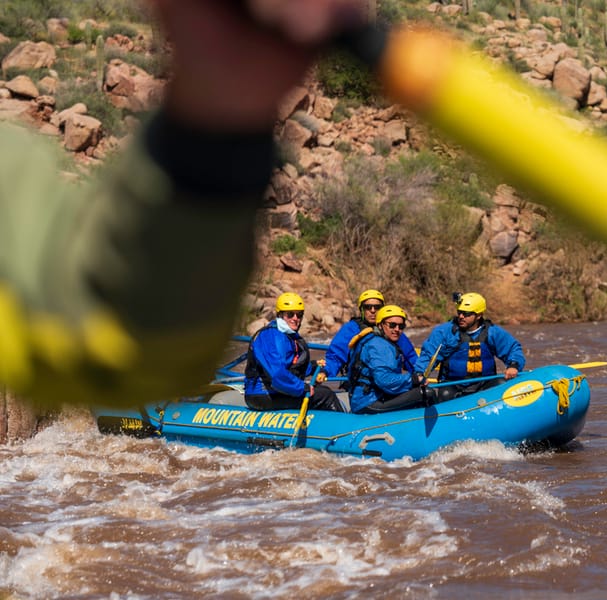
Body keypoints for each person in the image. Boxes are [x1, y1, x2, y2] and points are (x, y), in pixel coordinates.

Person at [0, 0, 367, 410]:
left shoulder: (9, 170)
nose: (298, 319)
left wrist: (216, 115)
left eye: (299, 315)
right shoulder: (270, 339)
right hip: (268, 397)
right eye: (294, 314)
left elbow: (109, 347)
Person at [244, 292, 343, 412]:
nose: (295, 318)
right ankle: (344, 428)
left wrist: (312, 367)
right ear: (280, 315)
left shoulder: (288, 336)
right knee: (326, 396)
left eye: (299, 315)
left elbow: (292, 366)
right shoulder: (270, 336)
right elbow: (277, 375)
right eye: (290, 314)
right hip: (263, 395)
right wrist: (302, 387)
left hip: (277, 392)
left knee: (323, 391)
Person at [415, 292, 526, 396]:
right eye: (459, 312)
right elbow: (428, 355)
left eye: (466, 314)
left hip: (484, 384)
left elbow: (513, 349)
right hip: (452, 385)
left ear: (479, 316)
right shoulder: (445, 332)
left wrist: (513, 366)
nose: (461, 317)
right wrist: (420, 374)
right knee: (445, 394)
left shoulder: (493, 332)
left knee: (502, 384)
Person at [321, 289, 418, 382]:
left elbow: (410, 357)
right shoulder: (350, 329)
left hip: (390, 383)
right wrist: (325, 371)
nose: (373, 311)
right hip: (361, 384)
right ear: (362, 310)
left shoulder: (392, 329)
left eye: (377, 307)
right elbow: (336, 356)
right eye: (368, 307)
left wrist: (419, 373)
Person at [346, 305, 428, 414]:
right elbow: (384, 380)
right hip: (367, 402)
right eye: (392, 325)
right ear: (380, 325)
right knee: (425, 393)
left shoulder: (381, 341)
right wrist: (412, 379)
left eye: (401, 326)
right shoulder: (378, 345)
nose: (397, 329)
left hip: (373, 396)